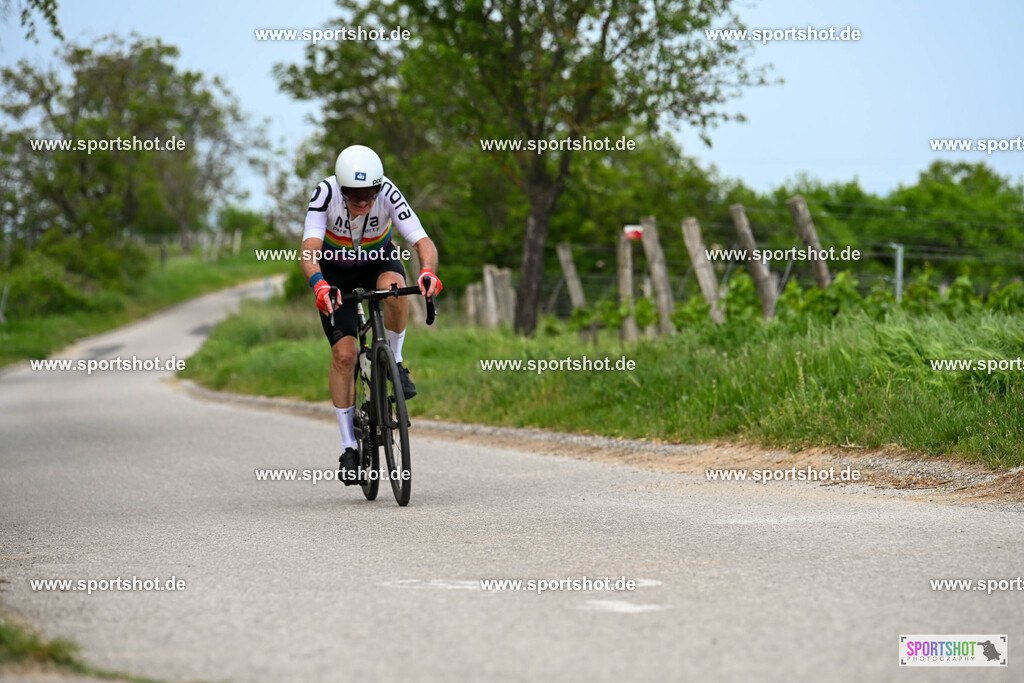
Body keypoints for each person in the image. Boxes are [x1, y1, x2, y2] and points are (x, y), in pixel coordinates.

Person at [299, 144, 441, 485]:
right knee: (345, 356)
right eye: (354, 195)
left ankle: (396, 360)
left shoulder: (388, 191)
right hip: (336, 274)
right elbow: (308, 252)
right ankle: (349, 445)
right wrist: (319, 285)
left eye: (369, 194)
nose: (363, 202)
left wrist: (428, 272)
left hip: (378, 260)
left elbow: (422, 241)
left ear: (378, 187)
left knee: (395, 286)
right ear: (341, 188)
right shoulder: (325, 194)